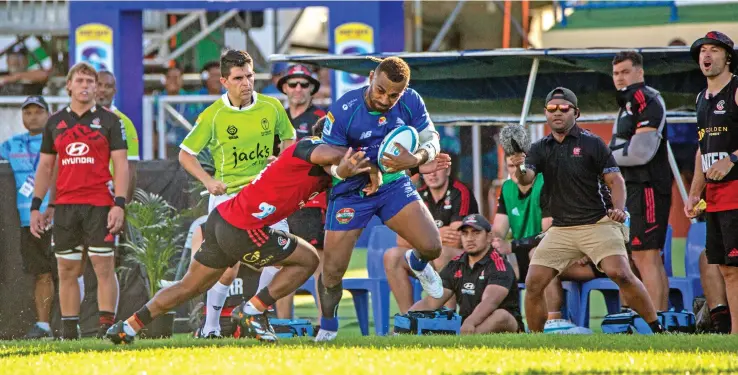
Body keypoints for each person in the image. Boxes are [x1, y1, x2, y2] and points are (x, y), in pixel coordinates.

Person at [106, 126, 446, 344]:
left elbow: (360, 177)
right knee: (308, 260)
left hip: (223, 219)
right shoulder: (306, 146)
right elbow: (342, 159)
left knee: (190, 286)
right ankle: (252, 311)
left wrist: (415, 165)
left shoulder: (328, 173)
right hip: (243, 227)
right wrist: (379, 161)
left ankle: (129, 326)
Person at [316, 56, 444, 342]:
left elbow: (432, 139)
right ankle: (327, 328)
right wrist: (341, 169)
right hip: (351, 190)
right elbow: (325, 154)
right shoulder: (345, 108)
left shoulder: (411, 101)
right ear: (371, 76)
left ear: (405, 90)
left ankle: (418, 263)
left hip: (393, 184)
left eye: (394, 94)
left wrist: (418, 157)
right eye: (380, 90)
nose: (386, 99)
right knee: (333, 271)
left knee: (432, 246)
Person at [515, 87, 663, 333]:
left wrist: (618, 208)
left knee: (621, 274)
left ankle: (657, 328)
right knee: (533, 283)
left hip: (597, 223)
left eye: (564, 108)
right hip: (561, 229)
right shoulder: (540, 147)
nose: (557, 113)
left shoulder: (592, 143)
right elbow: (526, 178)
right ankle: (536, 341)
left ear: (576, 112)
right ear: (546, 114)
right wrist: (520, 166)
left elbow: (616, 181)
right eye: (552, 109)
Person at [178, 49, 296, 338]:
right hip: (228, 199)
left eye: (250, 76)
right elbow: (185, 154)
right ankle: (211, 327)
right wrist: (208, 181)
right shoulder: (213, 115)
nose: (246, 83)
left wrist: (280, 159)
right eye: (239, 78)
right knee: (227, 269)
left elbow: (290, 138)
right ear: (224, 81)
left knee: (279, 256)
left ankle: (257, 312)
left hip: (265, 194)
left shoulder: (271, 107)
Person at [29, 62, 129, 340]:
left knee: (103, 266)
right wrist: (38, 206)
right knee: (67, 269)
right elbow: (46, 168)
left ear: (96, 87)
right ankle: (70, 334)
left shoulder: (111, 121)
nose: (85, 86)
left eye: (90, 81)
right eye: (80, 81)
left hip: (99, 204)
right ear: (69, 85)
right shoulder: (55, 122)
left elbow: (121, 165)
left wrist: (119, 203)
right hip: (65, 206)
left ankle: (107, 330)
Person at [492, 153, 605, 331]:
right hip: (533, 252)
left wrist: (512, 245)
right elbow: (498, 228)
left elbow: (548, 233)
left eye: (520, 166)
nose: (516, 172)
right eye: (511, 167)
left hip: (563, 251)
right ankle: (510, 323)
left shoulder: (546, 184)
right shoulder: (507, 188)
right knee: (498, 266)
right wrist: (495, 240)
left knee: (540, 255)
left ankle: (553, 320)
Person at [609, 51, 672, 312]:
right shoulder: (626, 104)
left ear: (640, 72)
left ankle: (658, 320)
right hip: (632, 187)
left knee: (646, 255)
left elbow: (640, 152)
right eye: (616, 73)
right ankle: (645, 318)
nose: (620, 78)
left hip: (648, 186)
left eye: (625, 72)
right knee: (636, 256)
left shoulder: (646, 98)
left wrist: (603, 156)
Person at [685, 31, 738, 334]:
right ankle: (733, 334)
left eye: (714, 50)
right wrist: (694, 194)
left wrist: (732, 158)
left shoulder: (736, 89)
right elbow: (702, 150)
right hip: (715, 198)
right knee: (727, 269)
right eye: (703, 51)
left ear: (728, 57)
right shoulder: (700, 99)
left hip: (736, 192)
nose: (706, 56)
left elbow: (723, 156)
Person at [383, 157, 478, 314]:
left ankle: (447, 317)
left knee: (443, 254)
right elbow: (401, 240)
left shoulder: (460, 192)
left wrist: (420, 235)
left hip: (460, 259)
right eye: (428, 170)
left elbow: (455, 241)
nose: (432, 175)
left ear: (447, 170)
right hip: (425, 256)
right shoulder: (415, 196)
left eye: (437, 169)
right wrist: (436, 235)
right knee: (392, 256)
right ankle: (409, 318)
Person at [273, 65, 327, 318]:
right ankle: (283, 326)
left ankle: (324, 325)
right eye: (292, 84)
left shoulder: (322, 118)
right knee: (283, 263)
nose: (297, 89)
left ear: (312, 89)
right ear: (284, 87)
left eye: (303, 84)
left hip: (312, 201)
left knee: (318, 264)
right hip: (280, 201)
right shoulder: (276, 119)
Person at [409, 214, 523, 334]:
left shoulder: (499, 264)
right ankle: (464, 338)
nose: (469, 238)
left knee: (501, 315)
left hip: (503, 325)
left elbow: (490, 302)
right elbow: (432, 301)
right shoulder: (455, 264)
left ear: (489, 237)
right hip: (467, 325)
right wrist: (407, 318)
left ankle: (462, 341)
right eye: (465, 233)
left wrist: (470, 323)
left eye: (476, 233)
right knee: (437, 315)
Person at [0, 96, 54, 339]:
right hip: (27, 221)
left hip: (56, 217)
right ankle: (44, 326)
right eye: (28, 112)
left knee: (70, 271)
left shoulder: (58, 142)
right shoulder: (12, 145)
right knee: (41, 272)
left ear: (49, 114)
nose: (33, 116)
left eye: (38, 111)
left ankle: (73, 323)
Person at [96, 70, 140, 202]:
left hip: (110, 198)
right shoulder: (78, 121)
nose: (103, 90)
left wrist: (123, 205)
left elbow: (130, 167)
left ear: (114, 91)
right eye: (99, 85)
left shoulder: (125, 123)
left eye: (108, 86)